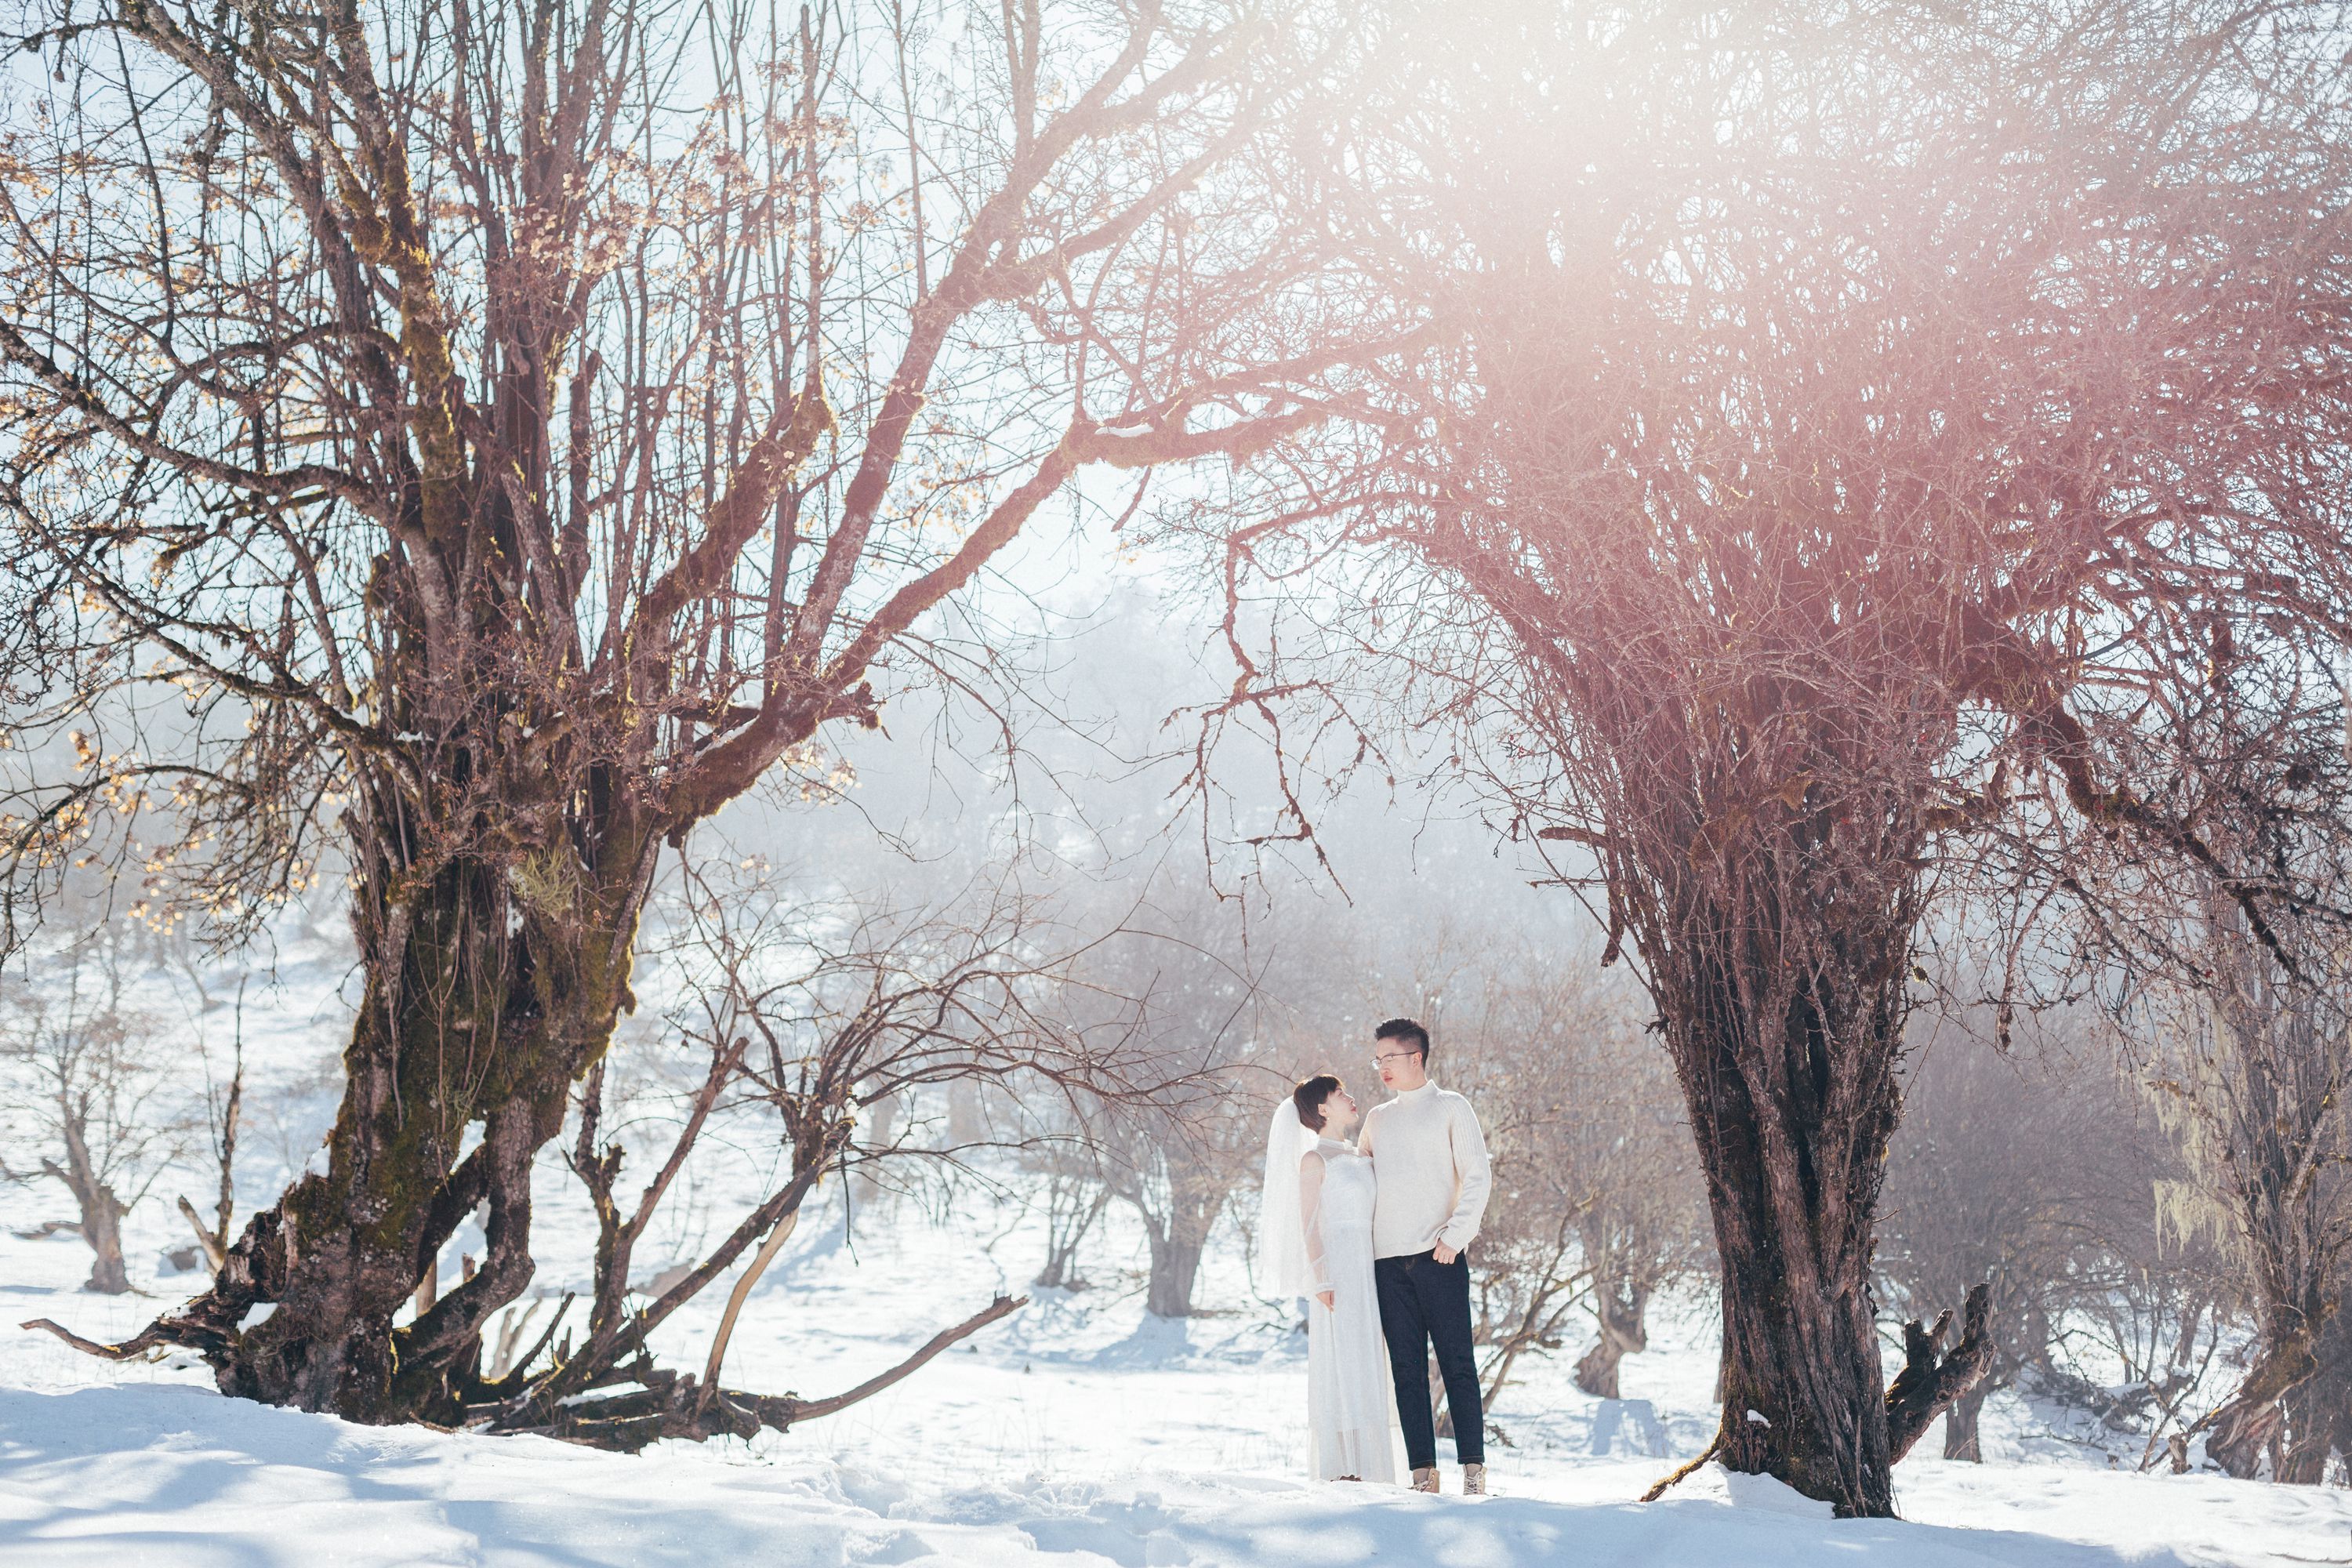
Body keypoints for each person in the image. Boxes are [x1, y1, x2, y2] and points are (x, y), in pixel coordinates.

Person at [1360, 1017, 1493, 1496]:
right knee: (1406, 1369)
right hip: (1387, 1263)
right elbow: (1362, 1186)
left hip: (1440, 1258)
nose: (1382, 1068)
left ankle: (1473, 1471)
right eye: (1377, 1060)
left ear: (1415, 1057)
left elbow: (1477, 1176)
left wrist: (1454, 1238)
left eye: (1389, 1058)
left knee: (1458, 1364)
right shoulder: (1377, 1119)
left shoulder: (1452, 1108)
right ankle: (1423, 1474)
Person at [1258, 1074, 1399, 1483]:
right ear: (1323, 1108)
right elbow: (1309, 1225)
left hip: (1371, 1268)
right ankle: (1344, 1469)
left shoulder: (1362, 1155)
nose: (1351, 1098)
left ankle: (1376, 1468)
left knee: (1371, 1360)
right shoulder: (1314, 1160)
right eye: (1341, 1095)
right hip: (1339, 1273)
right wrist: (1321, 1279)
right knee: (1343, 1360)